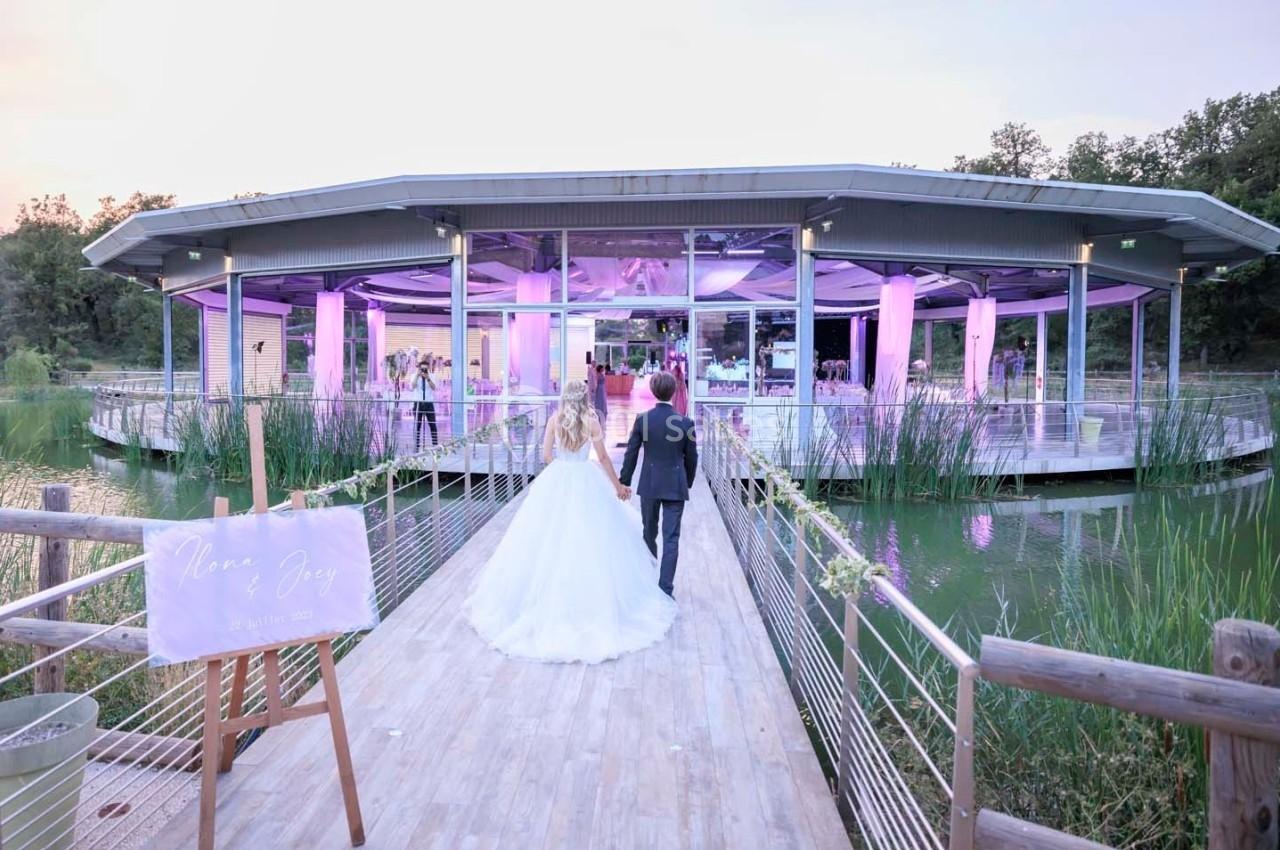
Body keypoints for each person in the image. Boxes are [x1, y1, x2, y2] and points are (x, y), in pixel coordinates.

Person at [463, 380, 676, 663]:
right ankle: (590, 605)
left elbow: (546, 455)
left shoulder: (555, 420)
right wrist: (617, 486)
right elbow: (601, 457)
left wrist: (561, 467)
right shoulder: (591, 420)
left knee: (545, 540)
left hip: (559, 477)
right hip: (585, 478)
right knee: (592, 542)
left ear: (565, 397)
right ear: (585, 397)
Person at [619, 372, 698, 598]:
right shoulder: (686, 423)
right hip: (675, 485)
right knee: (671, 538)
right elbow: (692, 458)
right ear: (674, 392)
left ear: (653, 391)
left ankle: (647, 580)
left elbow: (631, 453)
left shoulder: (643, 420)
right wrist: (688, 482)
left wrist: (624, 481)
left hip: (650, 485)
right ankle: (665, 590)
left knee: (648, 533)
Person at [412, 357, 438, 447]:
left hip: (428, 403)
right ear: (419, 368)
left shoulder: (432, 376)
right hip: (418, 403)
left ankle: (435, 445)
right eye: (422, 369)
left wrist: (428, 378)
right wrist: (417, 376)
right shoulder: (414, 376)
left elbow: (434, 388)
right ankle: (416, 446)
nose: (423, 370)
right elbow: (412, 386)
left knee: (433, 425)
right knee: (417, 426)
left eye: (425, 369)